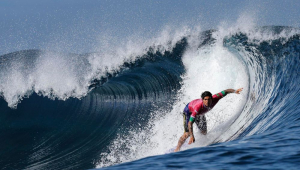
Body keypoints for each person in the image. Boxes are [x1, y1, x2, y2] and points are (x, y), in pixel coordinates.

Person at [174, 88, 243, 152]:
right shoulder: (197, 107)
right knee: (187, 133)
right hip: (188, 111)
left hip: (200, 114)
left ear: (211, 98)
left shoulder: (216, 97)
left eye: (209, 99)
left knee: (204, 132)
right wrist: (192, 136)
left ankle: (198, 145)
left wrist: (235, 91)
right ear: (202, 99)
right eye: (205, 99)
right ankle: (177, 149)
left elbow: (226, 91)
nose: (207, 101)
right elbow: (190, 123)